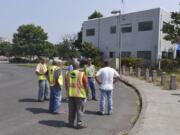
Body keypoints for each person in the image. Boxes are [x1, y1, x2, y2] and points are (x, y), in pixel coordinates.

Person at [65, 60, 89, 129]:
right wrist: (87, 93)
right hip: (80, 95)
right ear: (78, 66)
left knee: (71, 109)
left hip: (70, 94)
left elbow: (66, 84)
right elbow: (86, 85)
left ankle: (70, 123)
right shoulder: (81, 74)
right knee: (80, 110)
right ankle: (79, 124)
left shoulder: (68, 74)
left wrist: (68, 92)